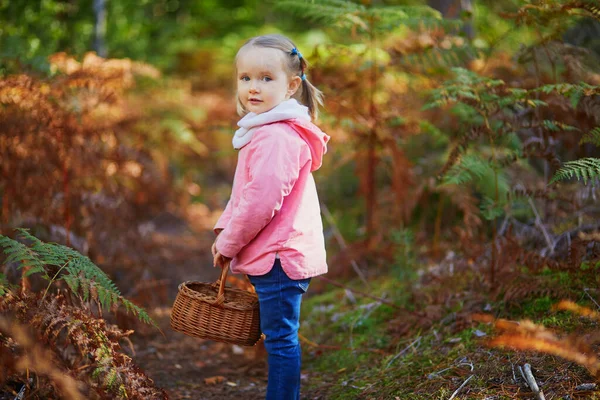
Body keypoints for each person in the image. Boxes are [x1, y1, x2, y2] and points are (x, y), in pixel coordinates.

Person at [211, 33, 330, 400]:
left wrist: (230, 242)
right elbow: (244, 194)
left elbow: (261, 202)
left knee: (280, 340)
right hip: (278, 252)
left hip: (279, 255)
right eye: (245, 78)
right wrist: (224, 228)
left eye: (266, 78)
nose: (253, 87)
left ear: (292, 85)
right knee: (279, 335)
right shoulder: (264, 129)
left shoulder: (275, 136)